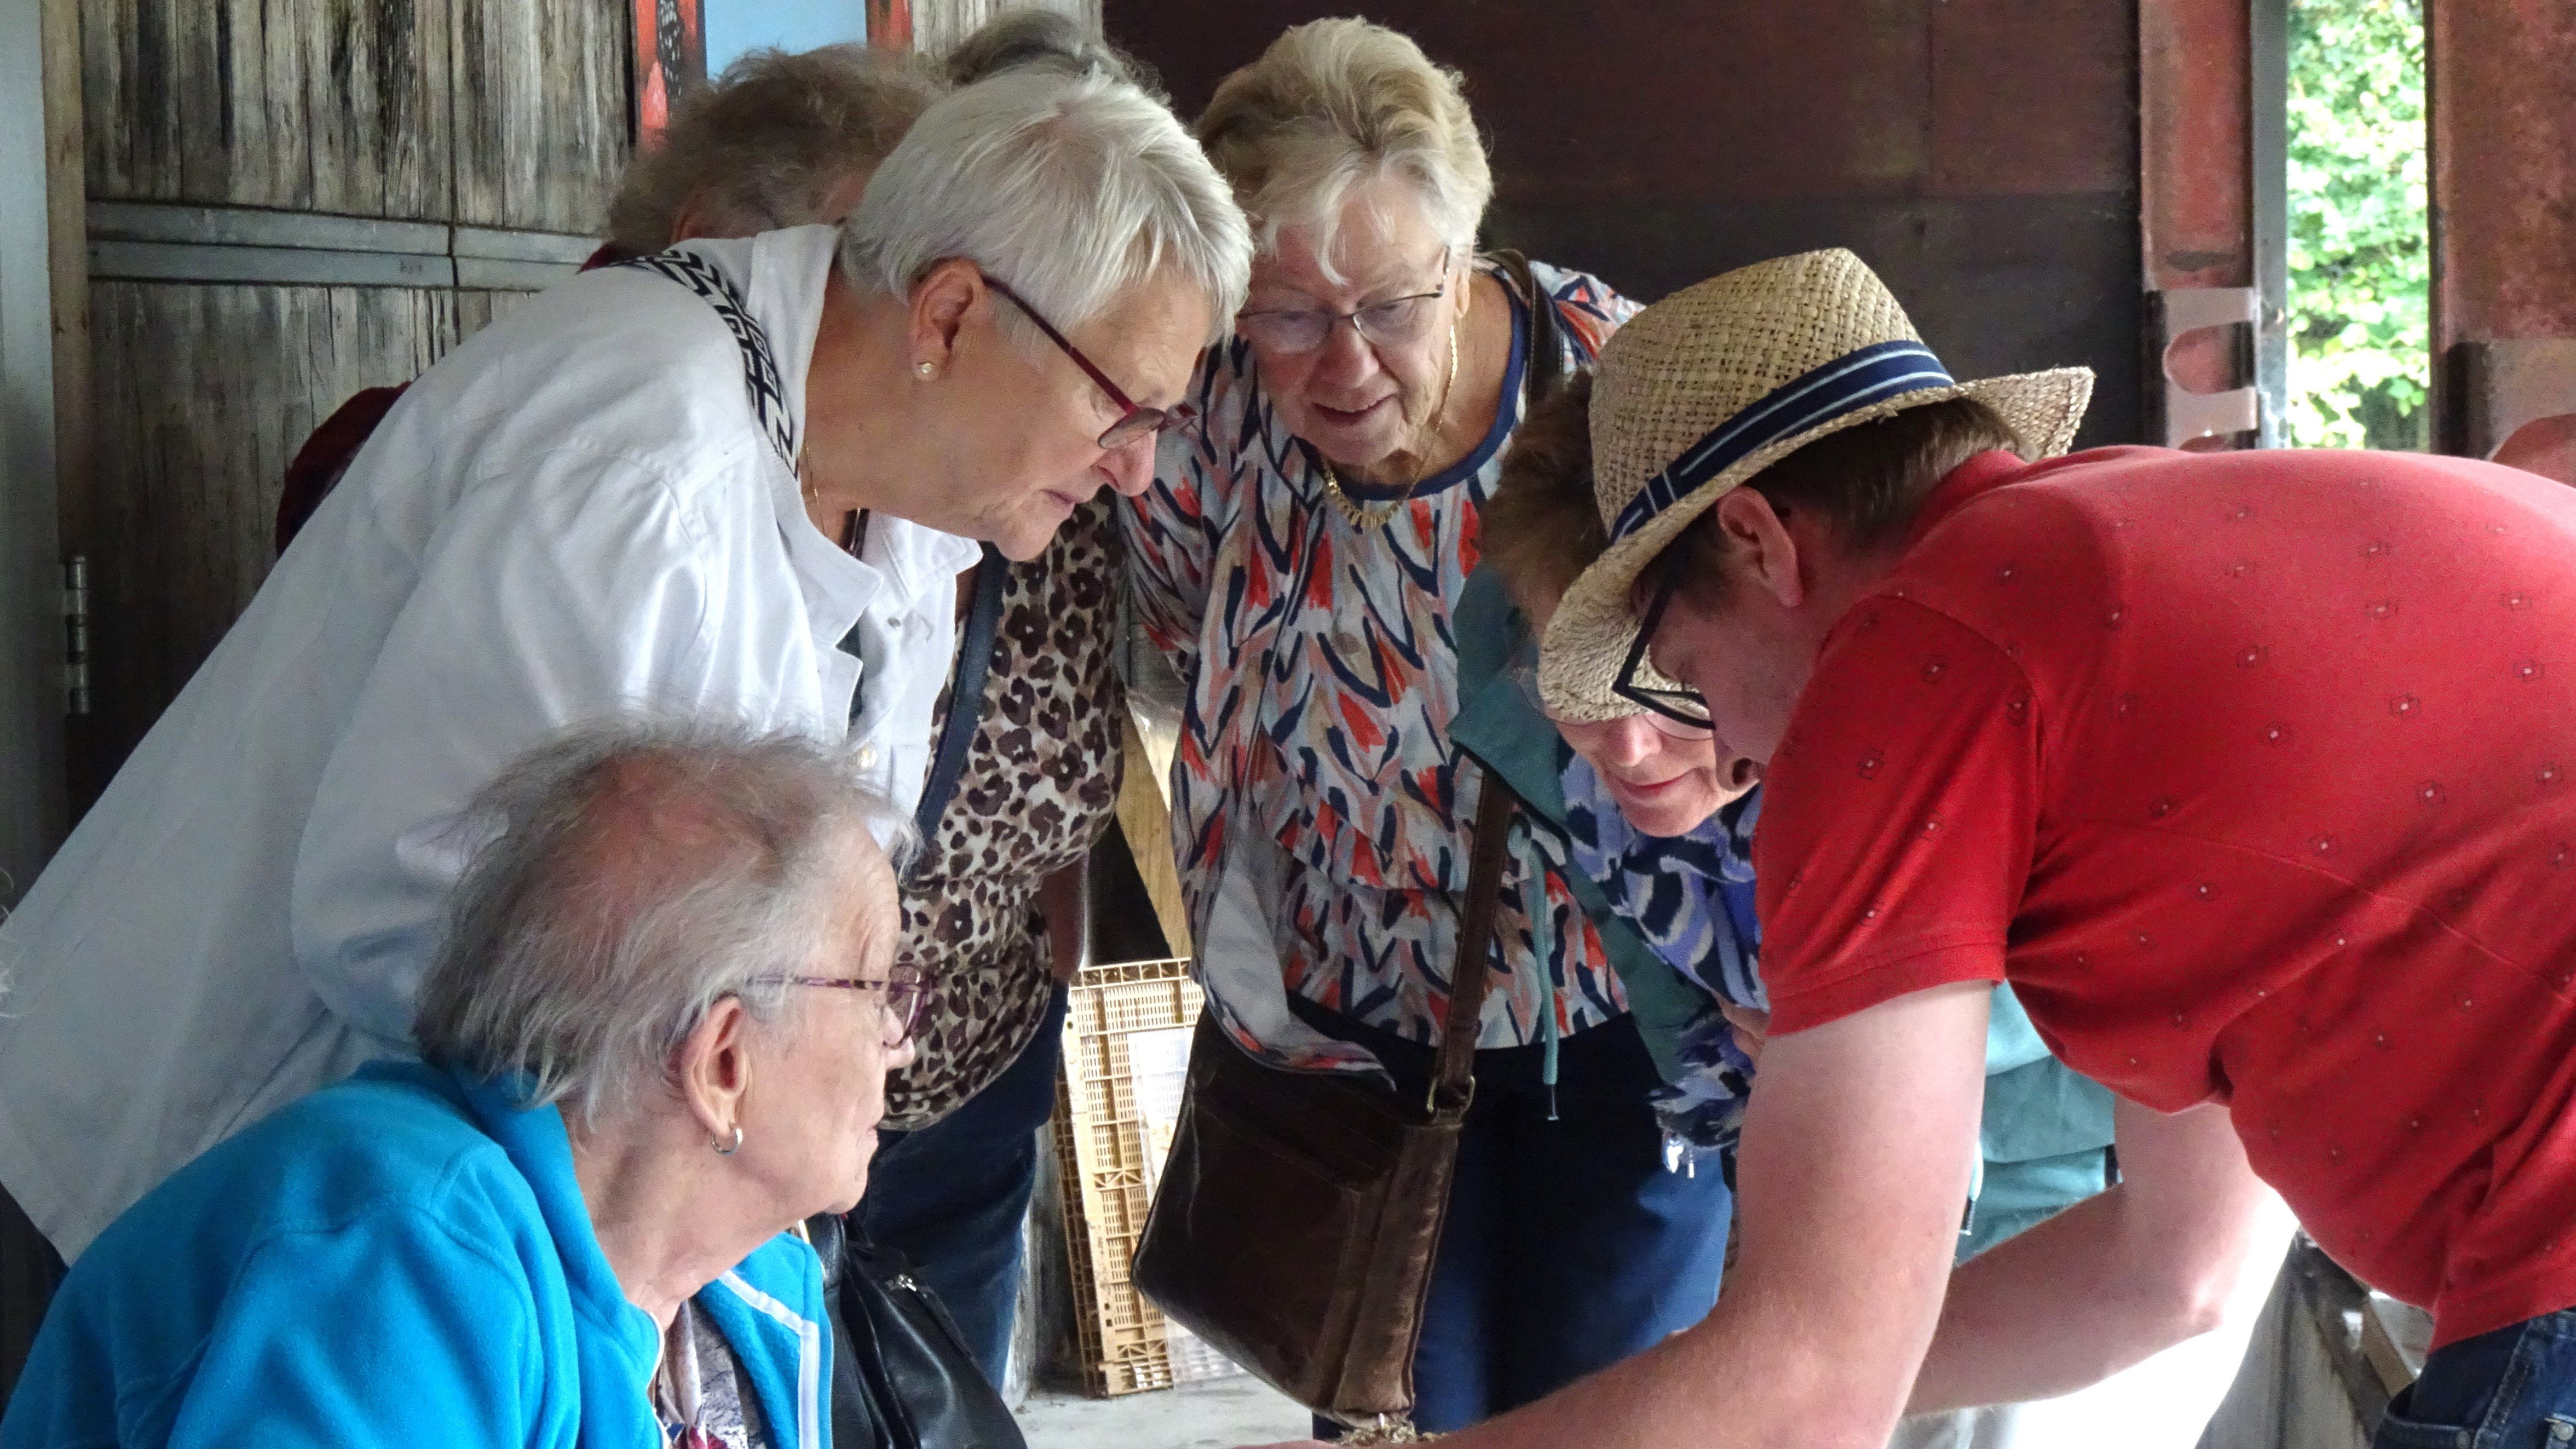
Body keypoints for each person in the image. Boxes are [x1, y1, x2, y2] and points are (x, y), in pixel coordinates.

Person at [1276, 246, 2576, 1449]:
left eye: (1678, 668)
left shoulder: (1915, 657)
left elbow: (1810, 1383)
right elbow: (2170, 1274)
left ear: (1759, 542)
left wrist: (1782, 1377)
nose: (1728, 744)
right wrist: (1772, 1380)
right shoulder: (2142, 549)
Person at [0, 66, 1250, 1267]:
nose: (1137, 468)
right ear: (950, 316)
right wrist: (745, 1080)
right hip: (226, 1186)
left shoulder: (903, 485)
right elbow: (410, 914)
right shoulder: (642, 459)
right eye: (1123, 406)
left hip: (444, 1216)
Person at [1458, 372, 2292, 1448]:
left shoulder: (2030, 702)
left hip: (2076, 1202)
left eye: (1668, 680)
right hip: (1832, 1181)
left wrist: (1846, 1045)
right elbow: (1660, 973)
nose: (1627, 745)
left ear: (1765, 555)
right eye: (1574, 691)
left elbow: (2178, 1277)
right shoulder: (1532, 648)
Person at [1125, 19, 1722, 1433]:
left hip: (1619, 1017)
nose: (1343, 364)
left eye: (1391, 304)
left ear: (1463, 259)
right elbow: (1179, 643)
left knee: (1612, 1417)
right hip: (1350, 1046)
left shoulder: (1615, 376)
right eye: (1286, 313)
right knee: (1391, 1415)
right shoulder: (1209, 416)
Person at [0, 721, 915, 1447]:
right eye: (878, 986)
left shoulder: (747, 1284)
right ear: (724, 1063)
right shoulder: (399, 1246)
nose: (899, 1043)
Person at [854, 10, 1169, 1386]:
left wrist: (1055, 981)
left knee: (955, 1404)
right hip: (787, 1087)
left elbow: (1082, 751)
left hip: (981, 1072)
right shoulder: (847, 463)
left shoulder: (1085, 494)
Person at [275, 42, 947, 552]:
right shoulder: (539, 451)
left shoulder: (871, 466)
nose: (910, 310)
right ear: (710, 234)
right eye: (858, 257)